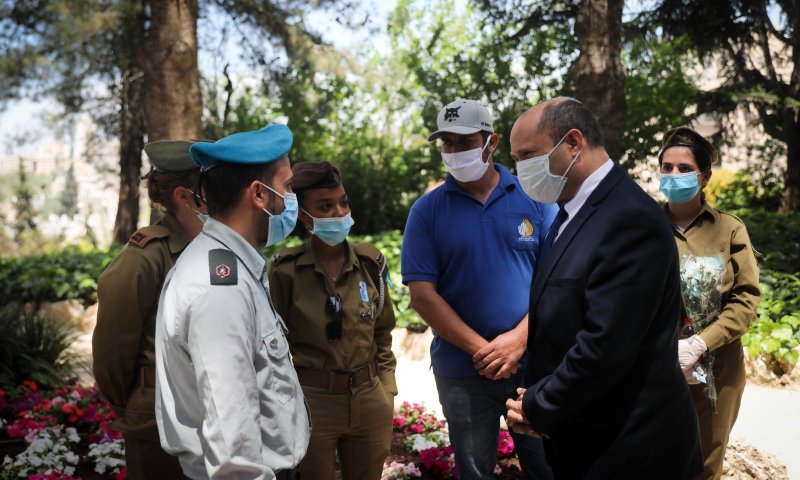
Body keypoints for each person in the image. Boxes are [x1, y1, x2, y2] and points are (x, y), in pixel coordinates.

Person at [504, 97, 703, 479]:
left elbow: (606, 345)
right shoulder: (569, 214)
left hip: (631, 450)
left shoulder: (628, 219)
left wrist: (540, 405)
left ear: (574, 143)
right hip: (584, 436)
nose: (520, 169)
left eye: (528, 155)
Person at [401, 98, 555, 480]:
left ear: (491, 142)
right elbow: (422, 295)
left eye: (464, 141)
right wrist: (485, 351)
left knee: (549, 467)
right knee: (474, 473)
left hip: (535, 364)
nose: (453, 152)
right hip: (463, 371)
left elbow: (560, 280)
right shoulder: (427, 211)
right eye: (446, 143)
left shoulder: (537, 199)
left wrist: (520, 339)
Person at [154, 124, 310, 480]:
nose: (291, 200)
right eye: (286, 187)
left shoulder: (232, 266)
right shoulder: (219, 287)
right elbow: (231, 440)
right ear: (259, 194)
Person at [269, 160, 397, 480]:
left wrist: (386, 390)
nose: (339, 213)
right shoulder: (285, 272)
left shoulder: (369, 264)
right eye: (325, 206)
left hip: (369, 398)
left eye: (343, 202)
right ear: (303, 215)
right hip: (312, 402)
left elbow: (382, 330)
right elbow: (272, 344)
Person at [93, 140, 206, 480]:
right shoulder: (148, 255)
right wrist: (132, 402)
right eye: (212, 186)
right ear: (184, 196)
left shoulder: (214, 248)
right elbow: (113, 346)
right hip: (158, 416)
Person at [658, 126, 760, 480]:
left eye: (684, 169)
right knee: (653, 456)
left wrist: (701, 342)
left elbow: (746, 300)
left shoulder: (729, 230)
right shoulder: (644, 226)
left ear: (704, 176)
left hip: (718, 369)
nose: (674, 175)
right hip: (655, 364)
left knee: (705, 462)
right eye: (667, 167)